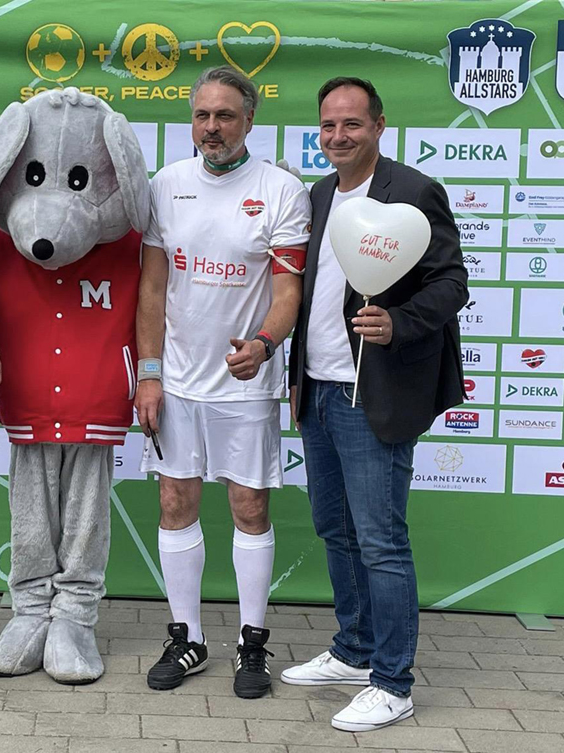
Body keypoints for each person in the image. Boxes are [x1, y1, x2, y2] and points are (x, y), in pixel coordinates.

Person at [282, 77, 468, 732]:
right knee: (336, 527)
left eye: (351, 125)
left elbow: (452, 282)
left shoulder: (414, 192)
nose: (338, 136)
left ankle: (394, 681)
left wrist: (400, 321)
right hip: (318, 389)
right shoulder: (320, 194)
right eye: (328, 125)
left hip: (375, 394)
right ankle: (355, 650)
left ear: (379, 125)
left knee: (382, 540)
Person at [135, 66, 310, 698]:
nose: (212, 127)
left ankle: (251, 643)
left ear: (249, 120)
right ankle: (187, 638)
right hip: (176, 383)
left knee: (249, 508)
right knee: (175, 503)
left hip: (246, 382)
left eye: (226, 116)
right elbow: (152, 287)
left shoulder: (282, 189)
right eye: (203, 115)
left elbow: (288, 291)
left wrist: (264, 345)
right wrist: (148, 375)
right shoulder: (165, 184)